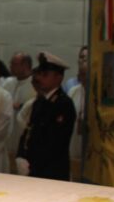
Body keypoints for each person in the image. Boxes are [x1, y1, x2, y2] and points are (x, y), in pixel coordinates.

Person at [16, 52, 76, 181]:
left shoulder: (63, 104)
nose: (39, 78)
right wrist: (21, 155)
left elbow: (55, 143)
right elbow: (28, 131)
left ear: (58, 78)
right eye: (39, 74)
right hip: (33, 170)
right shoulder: (40, 101)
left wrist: (33, 165)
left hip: (51, 172)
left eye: (45, 75)